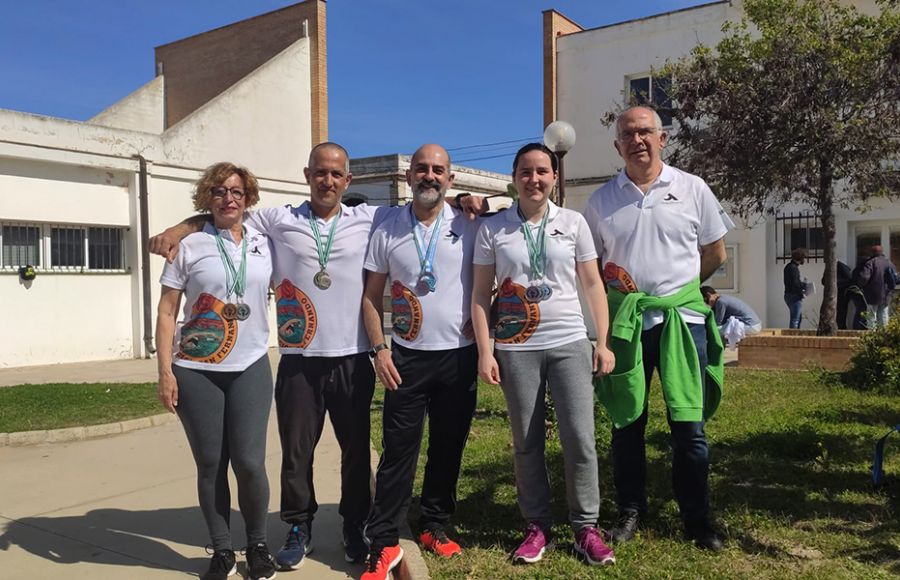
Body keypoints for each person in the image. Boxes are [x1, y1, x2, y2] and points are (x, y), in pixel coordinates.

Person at [151, 143, 390, 569]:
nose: (328, 180)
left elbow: (418, 211)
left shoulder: (369, 218)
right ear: (307, 174)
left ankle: (355, 524)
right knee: (297, 453)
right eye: (320, 172)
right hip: (299, 358)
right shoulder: (277, 219)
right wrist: (176, 230)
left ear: (348, 181)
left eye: (336, 174)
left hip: (353, 357)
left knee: (356, 451)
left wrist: (467, 202)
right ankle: (299, 526)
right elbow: (219, 214)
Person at [584, 106, 733, 551]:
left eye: (645, 131)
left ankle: (696, 517)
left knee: (688, 423)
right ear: (618, 146)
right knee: (626, 420)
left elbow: (716, 253)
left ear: (662, 138)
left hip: (682, 322)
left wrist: (679, 291)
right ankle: (631, 510)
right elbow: (591, 269)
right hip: (627, 325)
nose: (638, 140)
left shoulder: (692, 188)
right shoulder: (601, 201)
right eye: (628, 134)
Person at [470, 143, 616, 566]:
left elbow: (592, 284)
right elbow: (481, 295)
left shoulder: (573, 223)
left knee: (580, 438)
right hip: (516, 347)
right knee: (526, 443)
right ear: (514, 177)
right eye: (526, 172)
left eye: (542, 172)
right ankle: (536, 526)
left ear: (555, 177)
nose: (534, 179)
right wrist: (486, 350)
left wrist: (601, 341)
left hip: (569, 341)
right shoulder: (493, 229)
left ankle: (586, 527)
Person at [361, 144, 481, 580]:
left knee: (448, 447)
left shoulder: (470, 223)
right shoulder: (388, 227)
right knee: (398, 453)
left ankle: (434, 524)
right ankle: (385, 541)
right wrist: (380, 349)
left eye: (438, 170)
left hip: (458, 357)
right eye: (422, 169)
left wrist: (482, 324)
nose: (430, 176)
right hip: (405, 360)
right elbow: (372, 297)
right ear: (409, 177)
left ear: (450, 179)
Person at [155, 162, 277, 580]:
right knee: (211, 462)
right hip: (196, 368)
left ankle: (258, 545)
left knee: (249, 462)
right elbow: (168, 310)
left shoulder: (265, 239)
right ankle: (223, 550)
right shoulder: (188, 246)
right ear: (208, 198)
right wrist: (165, 372)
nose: (230, 198)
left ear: (249, 198)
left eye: (238, 192)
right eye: (221, 191)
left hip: (250, 365)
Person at [854, 244, 896, 328]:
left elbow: (864, 277)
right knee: (884, 316)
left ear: (872, 253)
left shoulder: (870, 263)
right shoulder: (889, 263)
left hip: (872, 295)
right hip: (886, 295)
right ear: (882, 252)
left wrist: (860, 286)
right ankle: (883, 337)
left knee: (871, 317)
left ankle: (872, 336)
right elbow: (896, 278)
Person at [783, 248, 807, 329]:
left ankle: (795, 335)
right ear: (800, 258)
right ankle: (793, 337)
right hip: (794, 296)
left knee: (797, 318)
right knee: (795, 320)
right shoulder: (794, 268)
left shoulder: (788, 267)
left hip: (788, 295)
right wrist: (804, 285)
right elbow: (796, 284)